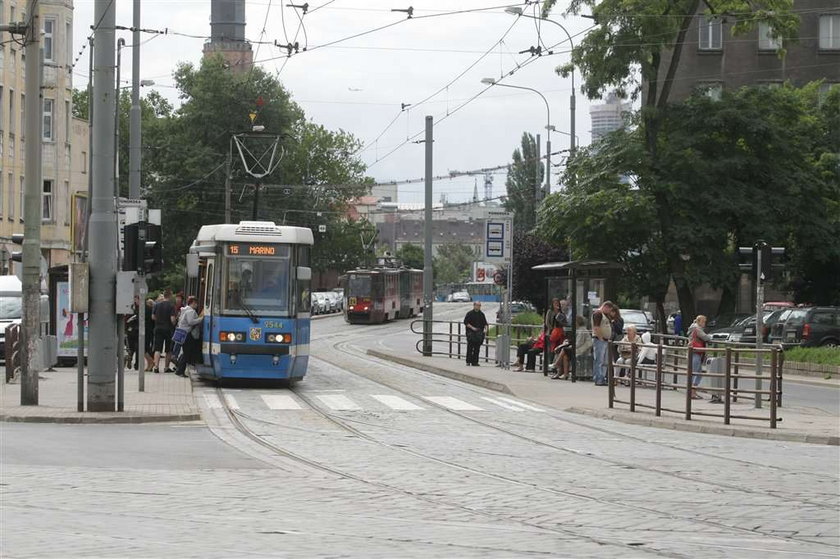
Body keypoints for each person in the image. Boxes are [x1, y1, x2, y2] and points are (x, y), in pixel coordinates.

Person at [549, 315, 591, 379]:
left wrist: (570, 346)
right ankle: (565, 374)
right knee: (565, 356)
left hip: (581, 350)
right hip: (577, 349)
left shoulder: (582, 330)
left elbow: (579, 343)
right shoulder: (579, 329)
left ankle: (556, 364)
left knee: (564, 350)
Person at [175, 296, 204, 378]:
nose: (197, 305)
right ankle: (180, 371)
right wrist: (201, 319)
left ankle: (179, 370)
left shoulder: (185, 310)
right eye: (196, 303)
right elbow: (191, 322)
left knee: (185, 352)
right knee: (186, 353)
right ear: (192, 303)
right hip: (187, 334)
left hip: (183, 333)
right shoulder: (190, 311)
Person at [152, 289, 177, 373]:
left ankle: (156, 367)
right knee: (168, 349)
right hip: (168, 329)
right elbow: (172, 319)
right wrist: (174, 323)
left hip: (158, 328)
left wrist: (159, 320)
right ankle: (166, 367)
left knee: (157, 348)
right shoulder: (171, 306)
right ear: (170, 295)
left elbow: (153, 317)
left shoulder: (157, 305)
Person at [687, 315, 712, 400]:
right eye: (703, 321)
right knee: (696, 372)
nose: (705, 323)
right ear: (698, 321)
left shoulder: (693, 328)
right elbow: (706, 337)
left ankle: (693, 391)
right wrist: (710, 338)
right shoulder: (697, 329)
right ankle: (692, 393)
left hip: (694, 352)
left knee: (697, 372)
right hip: (695, 352)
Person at [463, 301, 488, 366]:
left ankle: (475, 362)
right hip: (471, 333)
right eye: (477, 305)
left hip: (479, 333)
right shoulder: (469, 313)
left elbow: (485, 323)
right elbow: (466, 322)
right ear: (474, 305)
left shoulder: (481, 314)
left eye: (479, 305)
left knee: (477, 348)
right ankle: (468, 361)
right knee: (470, 348)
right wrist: (472, 328)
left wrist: (486, 329)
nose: (478, 307)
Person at [591, 310, 610, 386]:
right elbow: (596, 327)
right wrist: (600, 337)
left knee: (604, 361)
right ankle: (598, 378)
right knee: (599, 360)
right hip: (600, 340)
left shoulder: (604, 315)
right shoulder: (598, 314)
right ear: (606, 307)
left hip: (604, 340)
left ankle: (602, 378)